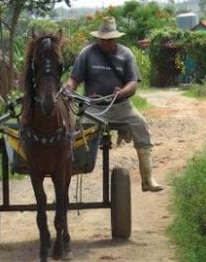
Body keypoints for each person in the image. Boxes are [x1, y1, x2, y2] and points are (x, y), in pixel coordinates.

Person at [65, 16, 163, 192]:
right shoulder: (87, 53)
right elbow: (74, 79)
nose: (106, 43)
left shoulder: (126, 54)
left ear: (115, 39)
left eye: (110, 40)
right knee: (76, 135)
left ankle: (147, 179)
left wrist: (122, 92)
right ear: (99, 39)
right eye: (103, 40)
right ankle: (66, 181)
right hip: (93, 107)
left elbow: (133, 83)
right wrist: (69, 90)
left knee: (140, 124)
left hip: (121, 106)